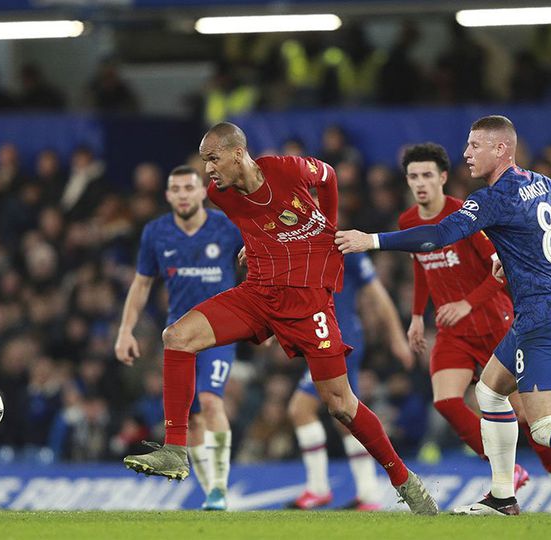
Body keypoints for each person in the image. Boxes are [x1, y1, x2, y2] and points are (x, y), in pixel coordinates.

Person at [335, 115, 551, 517]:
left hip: (542, 314)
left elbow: (437, 235)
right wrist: (522, 258)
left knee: (543, 426)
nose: (466, 153)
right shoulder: (545, 183)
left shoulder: (492, 197)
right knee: (489, 391)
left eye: (475, 146)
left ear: (501, 149)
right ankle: (502, 496)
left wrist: (370, 240)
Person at [122, 122, 438, 515]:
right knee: (177, 336)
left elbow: (330, 175)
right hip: (258, 294)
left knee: (341, 404)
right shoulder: (220, 195)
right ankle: (174, 449)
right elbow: (257, 226)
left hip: (309, 306)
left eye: (213, 159)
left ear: (238, 153)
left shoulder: (286, 170)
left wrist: (328, 226)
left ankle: (404, 481)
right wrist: (252, 248)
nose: (209, 170)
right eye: (205, 162)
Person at [398, 143, 551, 512]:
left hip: (494, 320)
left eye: (427, 175)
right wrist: (418, 314)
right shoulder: (407, 223)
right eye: (413, 176)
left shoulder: (465, 216)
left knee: (527, 414)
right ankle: (508, 470)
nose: (420, 183)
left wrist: (466, 302)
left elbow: (500, 272)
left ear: (443, 178)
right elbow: (421, 266)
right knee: (446, 400)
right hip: (453, 330)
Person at [115, 165, 244, 511]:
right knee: (195, 416)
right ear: (168, 195)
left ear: (202, 192)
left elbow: (262, 251)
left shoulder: (227, 227)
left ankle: (219, 486)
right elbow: (142, 284)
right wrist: (126, 330)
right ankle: (211, 491)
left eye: (190, 187)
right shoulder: (156, 233)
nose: (184, 194)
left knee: (211, 400)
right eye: (177, 189)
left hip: (221, 331)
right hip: (180, 335)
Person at [287, 251, 413, 510]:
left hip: (337, 342)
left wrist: (397, 337)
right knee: (347, 417)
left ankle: (318, 488)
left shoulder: (346, 251)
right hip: (326, 340)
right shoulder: (301, 250)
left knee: (300, 409)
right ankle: (368, 494)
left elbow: (379, 296)